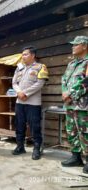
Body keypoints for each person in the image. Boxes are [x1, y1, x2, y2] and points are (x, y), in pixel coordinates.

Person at [12, 46, 49, 160]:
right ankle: (20, 146)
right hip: (20, 102)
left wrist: (25, 93)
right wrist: (19, 92)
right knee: (19, 125)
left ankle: (36, 149)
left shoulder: (40, 67)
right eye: (22, 54)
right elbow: (14, 82)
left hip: (33, 103)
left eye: (25, 54)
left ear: (33, 55)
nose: (23, 56)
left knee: (35, 127)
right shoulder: (19, 68)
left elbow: (40, 83)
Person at [61, 36, 88, 174]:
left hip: (83, 105)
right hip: (70, 104)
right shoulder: (71, 64)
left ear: (84, 46)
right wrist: (65, 92)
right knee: (72, 131)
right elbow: (64, 79)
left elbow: (86, 81)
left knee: (85, 132)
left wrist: (70, 94)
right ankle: (76, 157)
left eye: (75, 44)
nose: (72, 47)